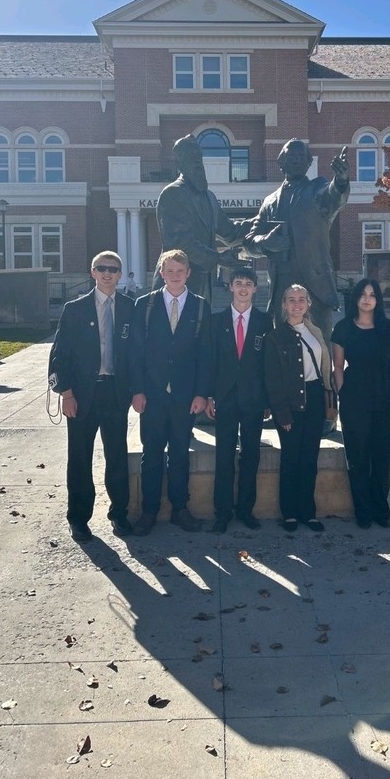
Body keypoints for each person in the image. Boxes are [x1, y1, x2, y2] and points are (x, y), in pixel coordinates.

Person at [48, 251, 134, 543]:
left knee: (117, 457)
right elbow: (60, 355)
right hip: (82, 395)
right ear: (93, 272)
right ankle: (79, 519)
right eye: (102, 268)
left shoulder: (129, 308)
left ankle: (119, 514)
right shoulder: (75, 309)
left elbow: (137, 356)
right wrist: (66, 393)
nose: (108, 273)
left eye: (113, 269)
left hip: (115, 393)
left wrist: (137, 391)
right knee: (80, 459)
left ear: (121, 274)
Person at [129, 249, 211, 536]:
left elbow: (205, 355)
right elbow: (135, 352)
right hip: (151, 395)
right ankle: (149, 510)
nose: (175, 275)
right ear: (161, 273)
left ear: (188, 273)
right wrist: (137, 391)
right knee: (151, 453)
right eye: (169, 270)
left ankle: (180, 508)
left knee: (180, 453)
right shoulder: (145, 304)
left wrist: (201, 393)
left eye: (180, 270)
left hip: (185, 396)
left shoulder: (201, 306)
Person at [245, 139, 349, 345]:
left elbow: (333, 196)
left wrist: (341, 180)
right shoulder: (269, 202)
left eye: (301, 156)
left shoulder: (316, 188)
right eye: (290, 156)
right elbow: (250, 242)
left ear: (309, 163)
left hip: (314, 283)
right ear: (281, 162)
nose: (296, 160)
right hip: (281, 285)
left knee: (320, 344)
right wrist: (266, 242)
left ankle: (322, 379)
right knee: (283, 346)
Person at [331, 278, 390, 529]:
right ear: (356, 298)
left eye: (372, 294)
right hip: (356, 400)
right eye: (363, 294)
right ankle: (363, 510)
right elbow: (338, 366)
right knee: (358, 455)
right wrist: (343, 392)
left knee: (384, 455)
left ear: (378, 300)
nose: (367, 298)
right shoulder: (343, 328)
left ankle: (380, 507)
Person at [206, 267, 273, 533]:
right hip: (224, 398)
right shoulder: (216, 321)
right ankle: (222, 513)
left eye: (248, 283)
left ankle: (245, 510)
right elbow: (209, 361)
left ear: (256, 288)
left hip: (254, 399)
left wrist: (267, 399)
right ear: (230, 287)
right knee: (223, 455)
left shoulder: (265, 322)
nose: (243, 288)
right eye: (238, 283)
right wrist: (209, 395)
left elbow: (269, 364)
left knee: (251, 455)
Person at [264, 283, 332, 533]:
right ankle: (290, 512)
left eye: (301, 299)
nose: (296, 304)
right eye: (291, 300)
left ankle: (308, 512)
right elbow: (272, 378)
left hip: (314, 397)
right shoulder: (276, 336)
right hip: (290, 401)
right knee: (291, 458)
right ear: (284, 305)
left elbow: (325, 369)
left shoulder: (315, 331)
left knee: (309, 458)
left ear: (308, 304)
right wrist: (281, 412)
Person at [155, 134, 248, 302]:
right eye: (191, 158)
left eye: (199, 157)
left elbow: (231, 232)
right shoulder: (173, 194)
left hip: (202, 291)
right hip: (174, 289)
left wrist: (260, 224)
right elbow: (181, 242)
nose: (197, 162)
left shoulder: (209, 197)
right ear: (180, 164)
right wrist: (219, 259)